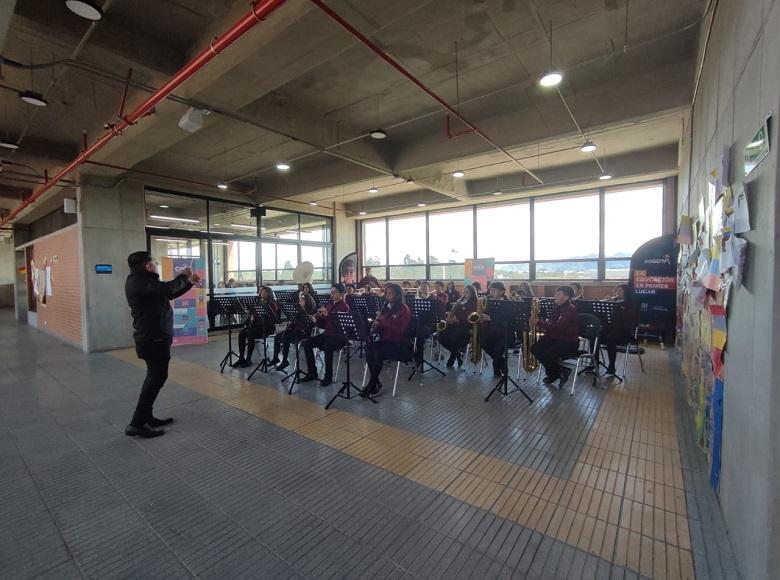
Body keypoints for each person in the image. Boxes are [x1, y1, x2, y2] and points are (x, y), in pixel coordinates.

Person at [124, 251, 198, 438]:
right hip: (152, 338)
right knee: (156, 377)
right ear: (148, 266)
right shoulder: (140, 282)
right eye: (154, 262)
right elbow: (167, 289)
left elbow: (168, 294)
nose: (156, 264)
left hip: (154, 336)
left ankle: (146, 417)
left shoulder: (143, 281)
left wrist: (189, 283)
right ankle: (137, 423)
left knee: (155, 376)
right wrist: (184, 275)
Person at [363, 283, 412, 396]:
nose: (387, 296)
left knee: (379, 353)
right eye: (386, 293)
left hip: (400, 344)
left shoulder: (404, 309)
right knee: (369, 348)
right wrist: (377, 324)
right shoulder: (386, 308)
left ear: (398, 296)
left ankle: (372, 384)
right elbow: (383, 328)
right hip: (386, 340)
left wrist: (384, 322)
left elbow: (401, 331)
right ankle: (375, 383)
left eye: (390, 293)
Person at [530, 286, 580, 385]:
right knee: (535, 348)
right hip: (555, 338)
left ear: (566, 297)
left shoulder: (571, 310)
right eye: (556, 294)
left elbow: (558, 328)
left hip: (568, 342)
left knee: (549, 354)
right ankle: (560, 371)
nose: (555, 296)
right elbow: (552, 325)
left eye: (559, 294)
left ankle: (553, 374)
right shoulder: (556, 308)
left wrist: (539, 323)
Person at [302, 283, 350, 386]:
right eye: (331, 292)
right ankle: (312, 373)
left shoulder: (344, 307)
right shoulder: (328, 304)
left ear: (341, 293)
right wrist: (316, 320)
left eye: (334, 292)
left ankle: (328, 376)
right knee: (307, 343)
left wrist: (327, 315)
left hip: (339, 336)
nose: (331, 294)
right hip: (327, 334)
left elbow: (338, 326)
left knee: (327, 346)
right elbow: (324, 325)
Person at [235, 285, 280, 367]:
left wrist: (263, 317)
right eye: (261, 292)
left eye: (264, 292)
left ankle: (248, 359)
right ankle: (241, 358)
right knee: (242, 333)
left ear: (269, 294)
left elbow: (274, 319)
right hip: (257, 326)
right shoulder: (259, 303)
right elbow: (254, 315)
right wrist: (252, 318)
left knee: (250, 334)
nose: (262, 294)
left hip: (267, 327)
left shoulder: (272, 304)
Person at [270, 292, 316, 370]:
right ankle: (275, 358)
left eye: (301, 301)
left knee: (285, 338)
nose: (299, 302)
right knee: (277, 337)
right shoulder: (299, 310)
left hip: (303, 333)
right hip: (295, 331)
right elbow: (295, 323)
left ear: (307, 302)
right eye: (299, 300)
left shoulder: (310, 312)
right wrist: (291, 324)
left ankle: (284, 361)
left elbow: (308, 326)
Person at [438, 284, 477, 368]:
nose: (464, 294)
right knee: (441, 337)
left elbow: (472, 319)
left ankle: (452, 357)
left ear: (472, 294)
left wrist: (458, 320)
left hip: (466, 327)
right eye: (464, 292)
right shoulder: (459, 301)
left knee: (454, 338)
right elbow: (453, 312)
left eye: (467, 292)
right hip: (454, 325)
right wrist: (449, 316)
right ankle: (457, 354)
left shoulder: (474, 304)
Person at [599, 288, 637, 374]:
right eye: (616, 291)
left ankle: (611, 366)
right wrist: (606, 302)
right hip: (611, 330)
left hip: (624, 333)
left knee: (610, 339)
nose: (617, 293)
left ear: (626, 293)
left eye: (620, 291)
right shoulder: (614, 302)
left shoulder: (630, 304)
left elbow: (629, 321)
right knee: (595, 336)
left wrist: (617, 306)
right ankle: (594, 363)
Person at [478, 281, 510, 377]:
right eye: (490, 290)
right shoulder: (488, 301)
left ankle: (496, 366)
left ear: (501, 292)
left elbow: (508, 319)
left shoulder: (508, 303)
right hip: (491, 331)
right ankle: (502, 363)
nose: (491, 293)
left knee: (498, 348)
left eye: (494, 291)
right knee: (483, 343)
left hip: (506, 332)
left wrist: (490, 318)